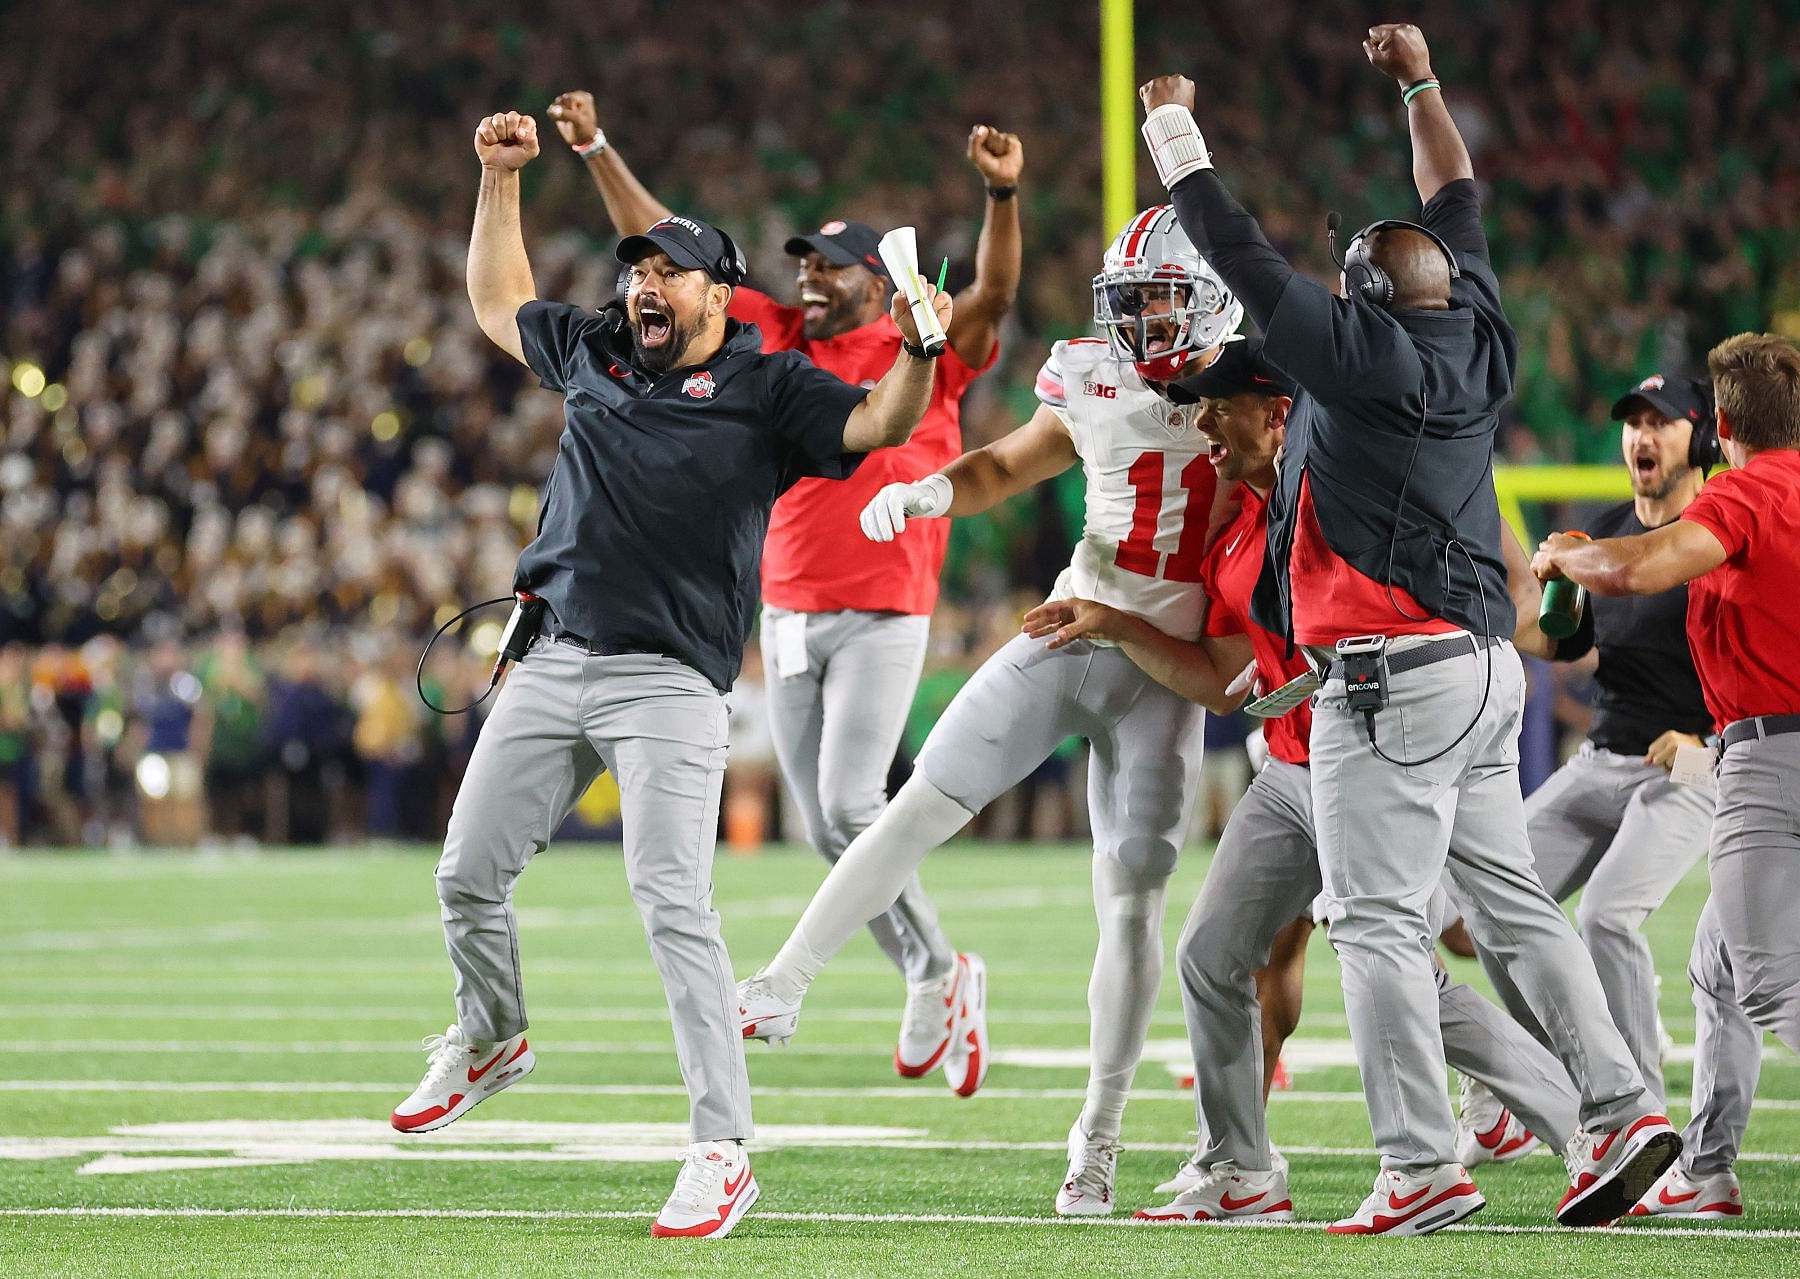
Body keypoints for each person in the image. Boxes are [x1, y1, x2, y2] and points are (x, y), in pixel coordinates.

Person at [1138, 24, 1675, 1233]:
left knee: (1375, 923)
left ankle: (1421, 1163)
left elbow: (1241, 250)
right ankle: (1624, 1106)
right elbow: (1456, 191)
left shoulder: (1360, 354)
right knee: (1515, 909)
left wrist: (1174, 132)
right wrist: (1422, 81)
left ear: (1364, 299)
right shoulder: (1479, 334)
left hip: (1392, 679)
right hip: (1484, 672)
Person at [392, 110, 950, 1241]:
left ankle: (721, 1147)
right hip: (552, 654)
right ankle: (492, 1035)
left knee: (671, 901)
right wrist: (497, 177)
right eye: (638, 268)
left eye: (667, 271)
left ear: (717, 295)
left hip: (669, 681)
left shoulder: (771, 385)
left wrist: (921, 349)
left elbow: (883, 425)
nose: (644, 283)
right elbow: (497, 303)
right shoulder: (597, 347)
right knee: (465, 875)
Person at [736, 203, 1247, 1215]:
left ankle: (1096, 1134)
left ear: (1212, 299)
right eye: (1131, 301)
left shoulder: (1258, 385)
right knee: (922, 798)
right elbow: (1011, 462)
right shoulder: (1094, 372)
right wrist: (927, 493)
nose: (1142, 321)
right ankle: (786, 977)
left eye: (1161, 299)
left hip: (1171, 664)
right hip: (1069, 626)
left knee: (1132, 898)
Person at [1024, 338, 1581, 1224]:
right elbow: (1220, 674)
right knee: (1212, 952)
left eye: (1219, 404)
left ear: (1278, 410)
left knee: (1413, 958)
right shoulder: (1236, 527)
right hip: (1289, 761)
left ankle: (1584, 1125)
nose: (1200, 420)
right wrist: (1112, 623)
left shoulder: (1348, 479)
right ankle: (1241, 1167)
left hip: (1377, 744)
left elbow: (1445, 586)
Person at [549, 91, 1022, 1078]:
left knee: (852, 803)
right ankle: (937, 968)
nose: (807, 276)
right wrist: (598, 145)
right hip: (788, 609)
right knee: (820, 824)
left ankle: (924, 971)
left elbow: (995, 299)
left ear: (871, 278)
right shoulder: (768, 334)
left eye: (827, 265)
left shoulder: (918, 341)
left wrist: (1000, 197)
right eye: (801, 261)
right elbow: (659, 243)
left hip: (886, 606)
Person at [1532, 332, 1800, 1223]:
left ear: (1718, 428)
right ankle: (1707, 1167)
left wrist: (1564, 557)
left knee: (1763, 977)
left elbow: (1638, 567)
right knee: (1719, 966)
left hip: (1764, 756)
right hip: (1745, 751)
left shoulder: (1745, 495)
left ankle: (1657, 1135)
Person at [1486, 374, 1719, 1114]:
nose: (1642, 437)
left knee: (1607, 914)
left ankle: (1642, 1118)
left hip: (1692, 763)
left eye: (1663, 422)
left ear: (1704, 437)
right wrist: (1495, 599)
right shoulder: (1609, 522)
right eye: (1633, 423)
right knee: (1489, 909)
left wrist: (1707, 737)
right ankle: (1548, 1077)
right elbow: (1564, 640)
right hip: (1604, 760)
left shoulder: (1721, 528)